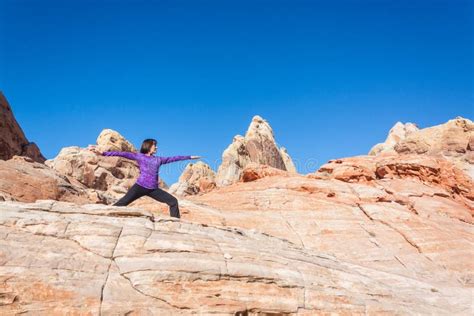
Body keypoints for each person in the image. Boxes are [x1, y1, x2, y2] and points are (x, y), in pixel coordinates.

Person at [88, 139, 200, 218]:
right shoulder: (139, 156)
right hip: (140, 186)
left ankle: (176, 224)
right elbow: (121, 154)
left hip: (153, 189)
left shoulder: (158, 159)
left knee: (173, 201)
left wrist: (189, 157)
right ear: (148, 146)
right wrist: (102, 153)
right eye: (154, 145)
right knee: (122, 203)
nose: (156, 147)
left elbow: (174, 158)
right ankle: (102, 215)